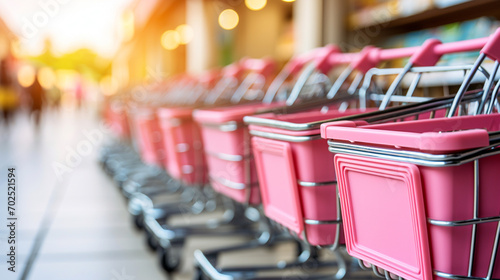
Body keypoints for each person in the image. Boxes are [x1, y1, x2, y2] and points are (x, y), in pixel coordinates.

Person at [0, 59, 18, 128]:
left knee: (5, 109)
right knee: (7, 108)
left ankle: (6, 120)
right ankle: (7, 120)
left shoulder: (3, 72)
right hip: (6, 93)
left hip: (5, 93)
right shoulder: (7, 72)